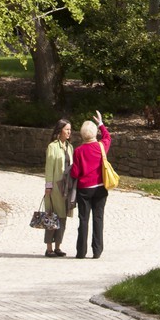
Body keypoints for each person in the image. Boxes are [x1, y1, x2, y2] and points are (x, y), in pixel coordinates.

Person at [70, 110, 111, 259]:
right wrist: (101, 124)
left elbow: (75, 172)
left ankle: (81, 251)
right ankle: (97, 250)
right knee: (98, 219)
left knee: (83, 219)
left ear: (81, 134)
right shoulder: (101, 146)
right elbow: (107, 137)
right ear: (94, 133)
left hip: (84, 190)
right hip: (100, 188)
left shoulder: (78, 151)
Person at [42, 116, 74, 257]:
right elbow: (49, 168)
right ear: (60, 130)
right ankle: (49, 247)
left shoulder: (70, 147)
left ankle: (58, 246)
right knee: (52, 215)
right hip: (55, 187)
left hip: (66, 187)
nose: (69, 132)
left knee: (63, 216)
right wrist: (48, 186)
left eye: (70, 130)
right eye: (67, 129)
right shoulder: (52, 147)